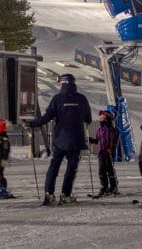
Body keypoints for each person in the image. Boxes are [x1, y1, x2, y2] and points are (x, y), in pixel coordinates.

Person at [26, 73, 93, 205]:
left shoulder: (57, 99)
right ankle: (66, 195)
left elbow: (47, 117)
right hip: (76, 140)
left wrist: (32, 124)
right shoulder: (82, 99)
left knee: (54, 166)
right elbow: (88, 119)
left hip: (60, 140)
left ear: (62, 84)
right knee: (71, 168)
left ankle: (49, 195)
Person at [88, 109, 119, 196]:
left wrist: (111, 148)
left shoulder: (112, 130)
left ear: (106, 118)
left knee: (110, 170)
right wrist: (91, 140)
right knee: (101, 171)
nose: (100, 119)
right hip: (101, 153)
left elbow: (114, 141)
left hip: (108, 153)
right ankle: (104, 186)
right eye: (100, 117)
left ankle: (113, 186)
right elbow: (98, 141)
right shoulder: (100, 130)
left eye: (102, 117)